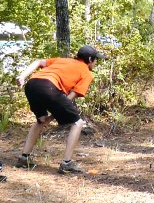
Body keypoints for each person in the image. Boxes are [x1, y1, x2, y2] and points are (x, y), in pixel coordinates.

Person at [15, 45, 104, 174]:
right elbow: (70, 97)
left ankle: (24, 158)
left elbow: (38, 62)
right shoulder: (87, 73)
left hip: (31, 85)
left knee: (41, 121)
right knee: (77, 123)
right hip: (49, 87)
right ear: (90, 59)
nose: (96, 63)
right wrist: (55, 114)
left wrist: (23, 76)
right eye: (96, 60)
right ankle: (67, 163)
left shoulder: (63, 60)